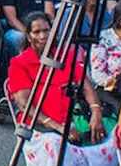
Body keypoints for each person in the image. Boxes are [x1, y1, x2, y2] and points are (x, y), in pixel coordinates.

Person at [7, 11, 107, 155]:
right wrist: (58, 127)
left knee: (109, 137)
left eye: (46, 30)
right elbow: (24, 104)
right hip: (39, 126)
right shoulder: (20, 64)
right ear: (29, 37)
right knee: (56, 146)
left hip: (72, 121)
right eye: (37, 32)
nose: (43, 36)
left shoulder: (65, 56)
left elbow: (86, 85)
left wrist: (96, 112)